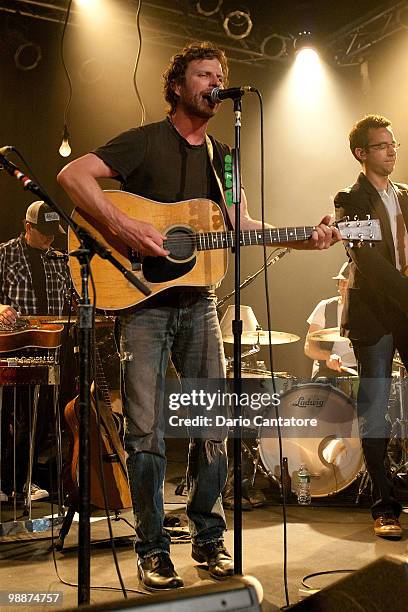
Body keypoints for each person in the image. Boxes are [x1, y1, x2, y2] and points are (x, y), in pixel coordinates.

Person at [57, 41, 337, 591]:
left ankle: (208, 537)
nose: (213, 81)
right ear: (179, 86)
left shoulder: (224, 158)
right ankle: (152, 549)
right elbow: (72, 177)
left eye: (219, 74)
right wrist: (125, 227)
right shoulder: (143, 141)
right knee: (147, 432)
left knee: (215, 425)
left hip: (199, 302)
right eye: (203, 74)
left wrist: (309, 238)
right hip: (141, 304)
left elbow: (241, 226)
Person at [334, 114, 408, 539]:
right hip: (376, 314)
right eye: (382, 145)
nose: (392, 150)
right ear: (362, 153)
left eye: (393, 143)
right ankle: (384, 507)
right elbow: (370, 265)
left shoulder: (405, 196)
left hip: (406, 312)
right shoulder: (350, 200)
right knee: (375, 409)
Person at [0, 201, 72, 502]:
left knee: (43, 414)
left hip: (51, 345)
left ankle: (23, 480)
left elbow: (73, 296)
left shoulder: (59, 259)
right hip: (15, 344)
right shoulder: (5, 255)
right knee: (13, 414)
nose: (49, 238)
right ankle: (6, 481)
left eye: (53, 233)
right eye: (43, 232)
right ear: (27, 227)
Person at [304, 262, 357, 379]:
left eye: (347, 283)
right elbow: (309, 347)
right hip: (328, 371)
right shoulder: (325, 307)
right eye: (341, 283)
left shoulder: (367, 311)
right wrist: (327, 356)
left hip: (359, 370)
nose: (343, 287)